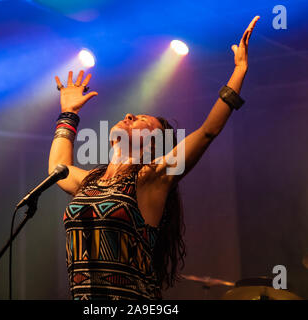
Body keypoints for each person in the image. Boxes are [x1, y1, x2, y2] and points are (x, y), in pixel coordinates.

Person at [48, 16, 260, 299]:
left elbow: (208, 131)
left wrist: (239, 71)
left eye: (142, 120)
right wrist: (68, 114)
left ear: (152, 145)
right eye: (131, 115)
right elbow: (57, 168)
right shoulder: (90, 181)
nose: (129, 116)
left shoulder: (151, 179)